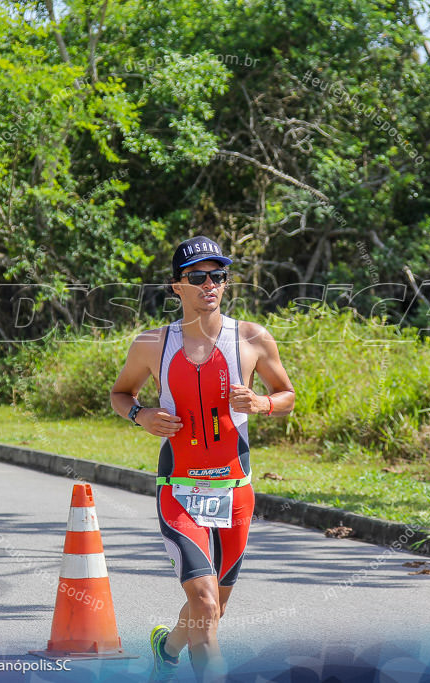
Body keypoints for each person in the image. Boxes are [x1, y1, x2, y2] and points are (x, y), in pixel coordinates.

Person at [110, 236, 295, 682]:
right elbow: (120, 394)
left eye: (218, 276)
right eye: (198, 277)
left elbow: (287, 395)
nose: (210, 285)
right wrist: (142, 414)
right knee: (206, 603)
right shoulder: (152, 344)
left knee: (215, 607)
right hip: (179, 490)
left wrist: (262, 404)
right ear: (177, 287)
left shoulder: (252, 338)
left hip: (234, 493)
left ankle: (167, 648)